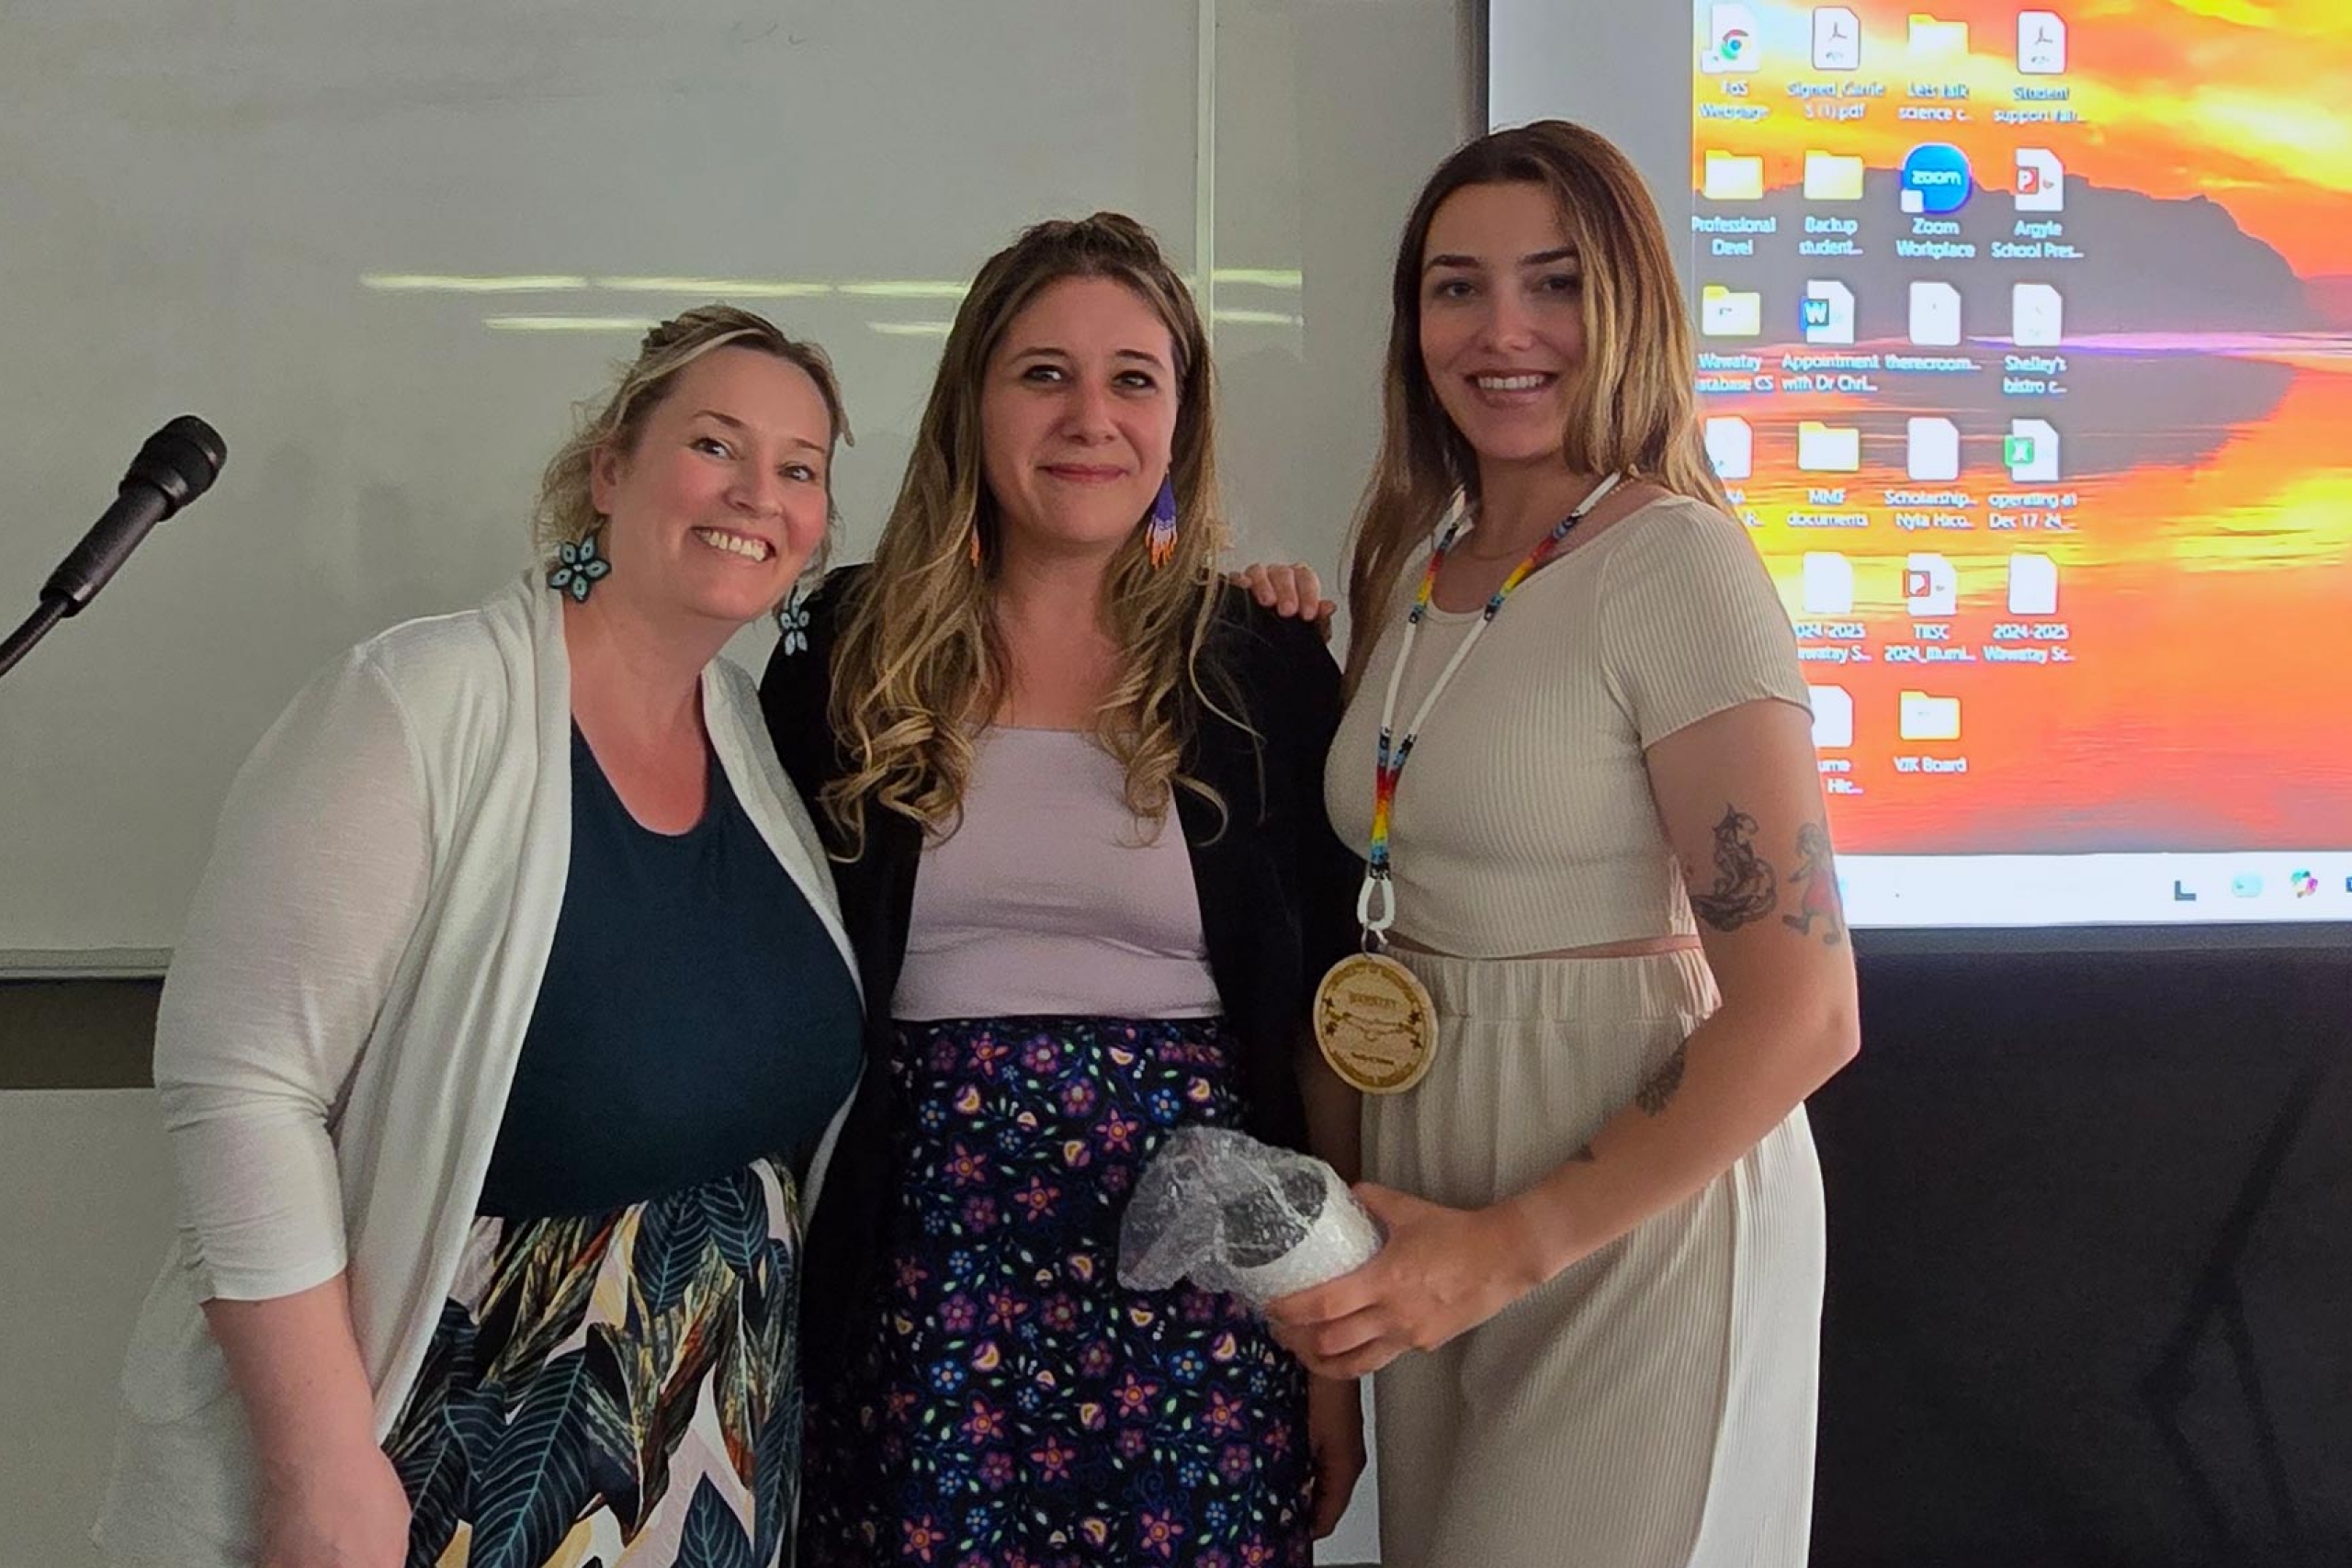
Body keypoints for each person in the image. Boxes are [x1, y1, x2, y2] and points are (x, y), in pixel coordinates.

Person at [95, 307, 865, 1568]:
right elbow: (241, 1083)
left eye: (800, 467)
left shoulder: (742, 726)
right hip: (455, 1443)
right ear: (610, 472)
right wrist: (322, 1465)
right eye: (715, 445)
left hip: (714, 1441)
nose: (757, 494)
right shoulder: (421, 701)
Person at [1264, 120, 1862, 1568]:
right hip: (1429, 1181)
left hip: (1628, 1219)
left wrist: (1510, 1247)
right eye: (1455, 288)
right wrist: (1337, 1332)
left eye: (1557, 284)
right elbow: (1372, 929)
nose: (1503, 330)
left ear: (1632, 308)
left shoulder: (1679, 567)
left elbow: (1805, 1012)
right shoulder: (1415, 568)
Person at [761, 212, 1366, 1568]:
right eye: (1042, 373)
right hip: (916, 1280)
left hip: (1198, 1287)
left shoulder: (1260, 666)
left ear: (1180, 420)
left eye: (1132, 378)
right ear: (973, 404)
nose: (1089, 416)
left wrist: (1335, 1347)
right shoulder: (838, 652)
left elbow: (1326, 1027)